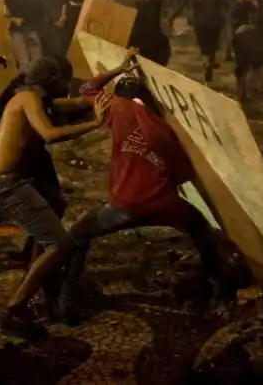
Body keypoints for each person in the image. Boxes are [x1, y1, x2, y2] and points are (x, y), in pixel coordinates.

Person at [56, 51, 230, 323]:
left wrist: (117, 69)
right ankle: (219, 290)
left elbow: (87, 88)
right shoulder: (164, 129)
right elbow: (183, 173)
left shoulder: (114, 108)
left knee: (78, 235)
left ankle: (66, 299)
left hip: (124, 204)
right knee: (199, 228)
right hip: (164, 204)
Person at [0, 57, 110, 339]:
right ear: (52, 79)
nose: (65, 86)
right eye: (63, 80)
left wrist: (111, 78)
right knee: (59, 245)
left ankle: (39, 281)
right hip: (6, 186)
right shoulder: (28, 99)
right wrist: (96, 123)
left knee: (50, 226)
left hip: (11, 182)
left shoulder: (32, 97)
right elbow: (50, 134)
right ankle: (14, 310)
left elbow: (78, 103)